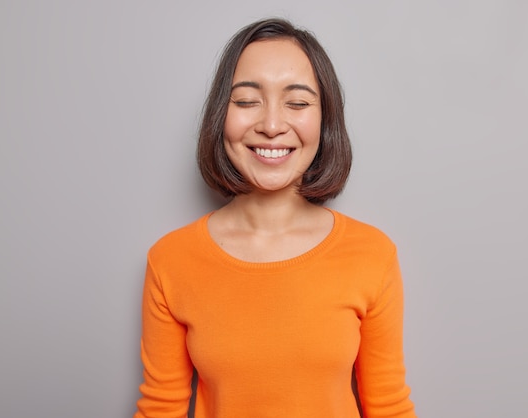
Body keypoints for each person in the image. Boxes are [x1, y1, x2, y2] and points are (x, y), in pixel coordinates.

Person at [134, 18, 417, 418]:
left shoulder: (373, 255)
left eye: (298, 103)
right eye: (247, 101)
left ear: (325, 119)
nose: (270, 126)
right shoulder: (170, 260)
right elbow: (160, 409)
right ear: (221, 116)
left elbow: (389, 407)